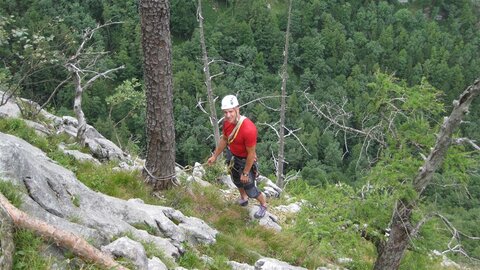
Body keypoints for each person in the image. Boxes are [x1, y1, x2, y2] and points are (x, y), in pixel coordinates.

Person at [207, 95, 267, 219]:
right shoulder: (226, 123)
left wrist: (245, 173)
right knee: (235, 179)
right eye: (225, 112)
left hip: (246, 161)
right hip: (234, 157)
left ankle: (263, 204)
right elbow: (225, 139)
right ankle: (243, 198)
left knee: (250, 188)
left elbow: (251, 153)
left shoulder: (249, 129)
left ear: (237, 109)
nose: (228, 115)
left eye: (230, 111)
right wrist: (215, 156)